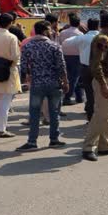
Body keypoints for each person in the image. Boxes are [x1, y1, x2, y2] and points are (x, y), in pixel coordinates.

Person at [16, 21, 68, 151]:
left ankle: (32, 141)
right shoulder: (55, 46)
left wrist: (28, 75)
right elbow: (61, 66)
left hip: (37, 84)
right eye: (49, 30)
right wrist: (66, 82)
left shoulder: (28, 46)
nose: (51, 32)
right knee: (54, 112)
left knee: (34, 113)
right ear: (45, 31)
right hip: (54, 83)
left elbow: (23, 66)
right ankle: (54, 139)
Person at [82, 13, 108, 162]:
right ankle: (88, 147)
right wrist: (103, 84)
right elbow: (96, 64)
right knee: (100, 116)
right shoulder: (102, 39)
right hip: (106, 80)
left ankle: (105, 145)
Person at [0, 13, 21, 138]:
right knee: (5, 103)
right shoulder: (12, 37)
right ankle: (0, 129)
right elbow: (16, 57)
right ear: (10, 23)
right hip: (8, 71)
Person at [65, 18, 100, 121]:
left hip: (86, 67)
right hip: (101, 68)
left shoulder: (83, 37)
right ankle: (99, 116)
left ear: (88, 26)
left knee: (89, 93)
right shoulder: (105, 37)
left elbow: (66, 43)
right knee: (100, 92)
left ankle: (90, 116)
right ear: (98, 26)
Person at [59, 14, 84, 105]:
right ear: (79, 24)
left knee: (72, 78)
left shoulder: (63, 32)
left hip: (64, 56)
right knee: (75, 78)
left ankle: (79, 96)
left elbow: (60, 43)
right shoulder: (80, 34)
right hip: (77, 57)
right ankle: (67, 97)